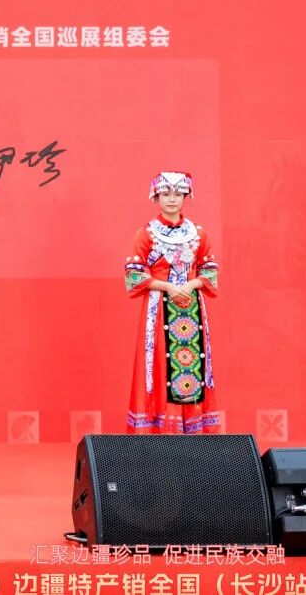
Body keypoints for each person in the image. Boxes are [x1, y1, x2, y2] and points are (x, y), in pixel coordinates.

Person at [123, 171, 221, 434]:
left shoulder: (198, 234)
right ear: (156, 197)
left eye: (178, 194)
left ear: (186, 197)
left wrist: (191, 284)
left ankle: (193, 430)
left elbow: (210, 269)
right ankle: (161, 430)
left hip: (191, 308)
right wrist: (167, 287)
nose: (172, 199)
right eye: (166, 194)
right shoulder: (146, 233)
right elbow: (133, 274)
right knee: (159, 362)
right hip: (158, 309)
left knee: (193, 361)